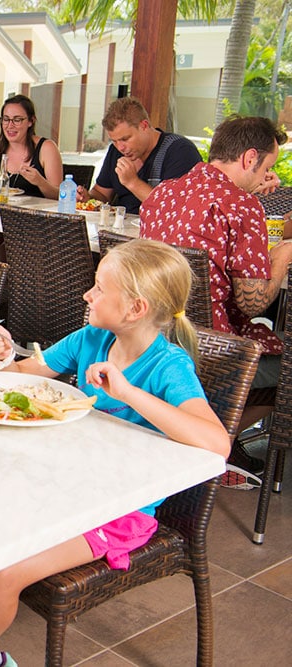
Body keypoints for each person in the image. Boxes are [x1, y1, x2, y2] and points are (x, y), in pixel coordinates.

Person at [0, 239, 230, 667]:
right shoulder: (92, 337)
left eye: (100, 288)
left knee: (1, 575)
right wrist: (3, 355)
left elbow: (217, 444)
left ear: (135, 309)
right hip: (65, 489)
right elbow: (19, 377)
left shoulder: (168, 365)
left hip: (122, 513)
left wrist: (128, 392)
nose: (88, 294)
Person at [140, 115, 292, 469]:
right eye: (265, 166)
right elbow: (252, 301)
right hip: (213, 351)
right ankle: (214, 443)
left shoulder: (161, 194)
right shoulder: (241, 205)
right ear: (250, 158)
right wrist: (282, 256)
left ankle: (198, 434)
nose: (262, 175)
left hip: (152, 339)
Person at [0, 94, 63, 260]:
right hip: (5, 221)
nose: (10, 125)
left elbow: (60, 196)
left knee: (7, 250)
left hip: (38, 223)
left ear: (30, 121)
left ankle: (12, 286)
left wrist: (40, 182)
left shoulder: (46, 147)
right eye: (6, 119)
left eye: (17, 120)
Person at [78, 97, 202, 214]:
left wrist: (132, 182)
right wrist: (87, 198)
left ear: (144, 126)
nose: (120, 147)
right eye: (114, 141)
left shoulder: (180, 151)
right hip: (118, 229)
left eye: (125, 139)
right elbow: (102, 194)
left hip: (156, 234)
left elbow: (172, 208)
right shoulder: (116, 151)